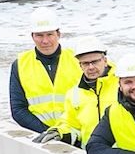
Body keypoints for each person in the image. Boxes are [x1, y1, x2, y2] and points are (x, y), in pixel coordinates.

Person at [9, 8, 83, 139]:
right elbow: (18, 109)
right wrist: (48, 132)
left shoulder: (78, 60)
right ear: (32, 36)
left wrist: (65, 133)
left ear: (58, 34)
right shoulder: (20, 64)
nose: (45, 41)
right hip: (40, 136)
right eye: (39, 35)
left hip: (77, 133)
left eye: (49, 34)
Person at [63, 41, 117, 146]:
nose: (91, 67)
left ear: (105, 61)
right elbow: (71, 124)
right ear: (80, 66)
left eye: (95, 61)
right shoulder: (74, 93)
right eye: (86, 63)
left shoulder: (123, 86)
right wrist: (59, 131)